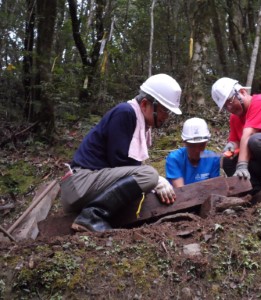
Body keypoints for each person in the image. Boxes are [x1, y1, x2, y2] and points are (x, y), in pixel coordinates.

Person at [60, 74, 181, 232]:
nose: (166, 116)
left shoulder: (140, 123)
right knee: (149, 175)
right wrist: (157, 180)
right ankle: (91, 216)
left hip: (89, 184)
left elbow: (128, 170)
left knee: (147, 177)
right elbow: (121, 163)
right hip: (80, 184)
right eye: (165, 110)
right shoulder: (125, 113)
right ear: (145, 104)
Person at [165, 117, 220, 188]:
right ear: (184, 143)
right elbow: (181, 190)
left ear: (206, 142)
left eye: (201, 145)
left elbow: (214, 187)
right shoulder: (174, 159)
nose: (197, 150)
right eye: (192, 146)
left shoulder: (213, 158)